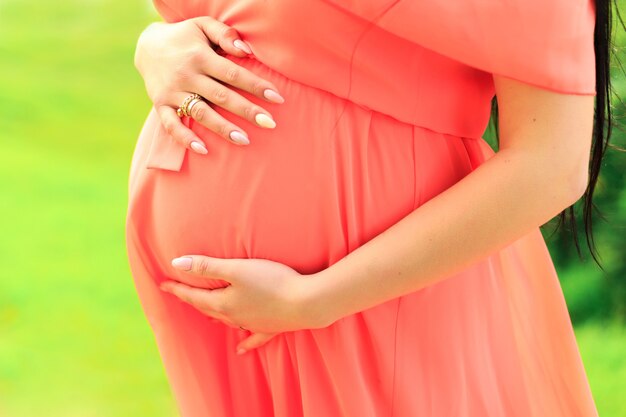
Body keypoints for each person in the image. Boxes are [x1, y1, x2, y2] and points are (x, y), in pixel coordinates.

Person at [125, 0, 614, 416]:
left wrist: (315, 301)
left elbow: (552, 163)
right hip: (216, 310)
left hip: (362, 290)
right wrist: (157, 45)